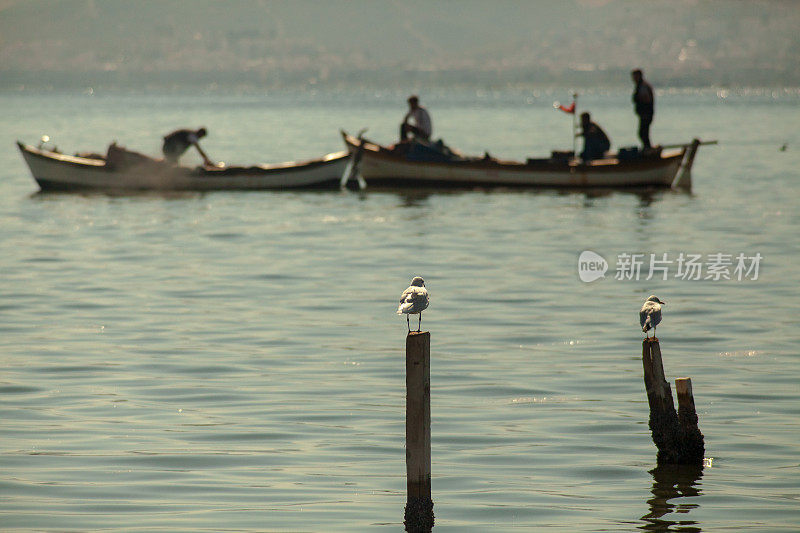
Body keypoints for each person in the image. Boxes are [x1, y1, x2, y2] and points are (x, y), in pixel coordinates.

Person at [631, 68, 655, 150]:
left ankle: (648, 149)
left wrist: (640, 100)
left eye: (634, 76)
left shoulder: (643, 86)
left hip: (646, 114)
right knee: (643, 133)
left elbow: (647, 99)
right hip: (643, 114)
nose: (633, 79)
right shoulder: (640, 86)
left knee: (643, 133)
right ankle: (647, 148)